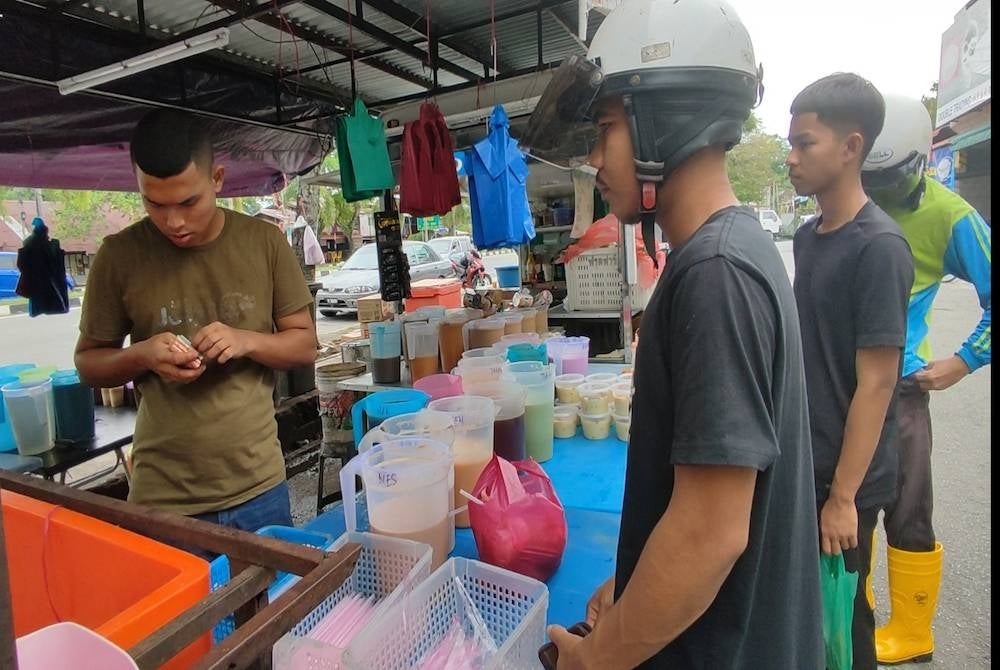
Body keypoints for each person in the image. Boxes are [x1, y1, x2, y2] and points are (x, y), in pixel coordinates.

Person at [521, 1, 823, 667]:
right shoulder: (730, 251)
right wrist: (632, 586)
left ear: (666, 120)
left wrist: (599, 661)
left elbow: (709, 533)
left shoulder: (716, 273)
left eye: (605, 129)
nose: (595, 159)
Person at [75, 110, 317, 537]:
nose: (174, 222)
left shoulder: (264, 243)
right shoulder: (119, 256)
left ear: (217, 179)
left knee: (274, 605)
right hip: (163, 498)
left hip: (258, 486)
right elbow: (89, 364)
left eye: (189, 202)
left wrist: (243, 340)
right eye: (155, 204)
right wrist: (144, 355)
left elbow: (303, 346)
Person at [787, 74, 915, 670]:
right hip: (805, 461)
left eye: (805, 143)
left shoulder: (879, 246)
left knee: (844, 615)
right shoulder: (810, 238)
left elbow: (879, 382)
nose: (791, 157)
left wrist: (843, 498)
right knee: (805, 610)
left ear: (851, 146)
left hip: (847, 479)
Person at [861, 94, 991, 665]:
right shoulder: (844, 200)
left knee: (907, 508)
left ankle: (913, 630)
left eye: (891, 180)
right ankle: (853, 611)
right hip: (838, 386)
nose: (880, 195)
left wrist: (965, 360)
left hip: (904, 390)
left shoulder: (952, 216)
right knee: (845, 509)